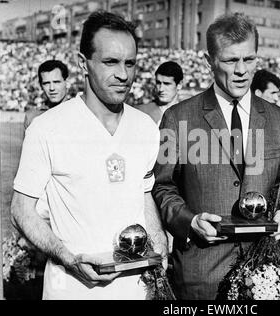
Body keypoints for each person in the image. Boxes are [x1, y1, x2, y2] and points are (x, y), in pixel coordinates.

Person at [11, 10, 167, 300]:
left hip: (137, 290)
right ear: (83, 63)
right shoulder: (47, 128)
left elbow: (144, 196)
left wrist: (160, 246)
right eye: (110, 62)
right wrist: (68, 258)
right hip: (72, 289)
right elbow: (21, 210)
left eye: (129, 63)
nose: (123, 74)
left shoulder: (145, 127)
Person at [152, 13, 280, 300]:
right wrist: (190, 221)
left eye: (250, 59)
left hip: (264, 273)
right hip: (200, 274)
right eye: (231, 61)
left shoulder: (279, 120)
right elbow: (162, 186)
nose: (242, 70)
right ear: (209, 62)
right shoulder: (177, 117)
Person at [24, 60, 69, 130]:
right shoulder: (32, 117)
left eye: (56, 82)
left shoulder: (79, 112)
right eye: (46, 83)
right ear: (41, 86)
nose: (52, 88)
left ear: (66, 82)